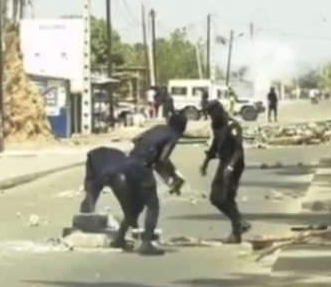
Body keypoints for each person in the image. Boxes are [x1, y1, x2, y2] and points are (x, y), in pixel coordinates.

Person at [80, 112, 188, 255]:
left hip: (128, 163)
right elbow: (163, 160)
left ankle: (119, 238)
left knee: (135, 207)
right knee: (152, 206)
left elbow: (136, 139)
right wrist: (173, 176)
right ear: (182, 127)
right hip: (142, 167)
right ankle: (146, 243)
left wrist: (164, 173)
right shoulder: (173, 135)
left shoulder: (158, 129)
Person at [199, 100, 251, 244]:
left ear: (220, 110)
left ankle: (236, 232)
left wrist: (231, 167)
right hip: (224, 162)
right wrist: (205, 162)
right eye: (209, 113)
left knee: (227, 197)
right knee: (215, 198)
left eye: (212, 113)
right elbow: (216, 144)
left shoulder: (232, 125)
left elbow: (238, 150)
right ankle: (240, 223)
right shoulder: (215, 125)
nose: (211, 116)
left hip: (235, 164)